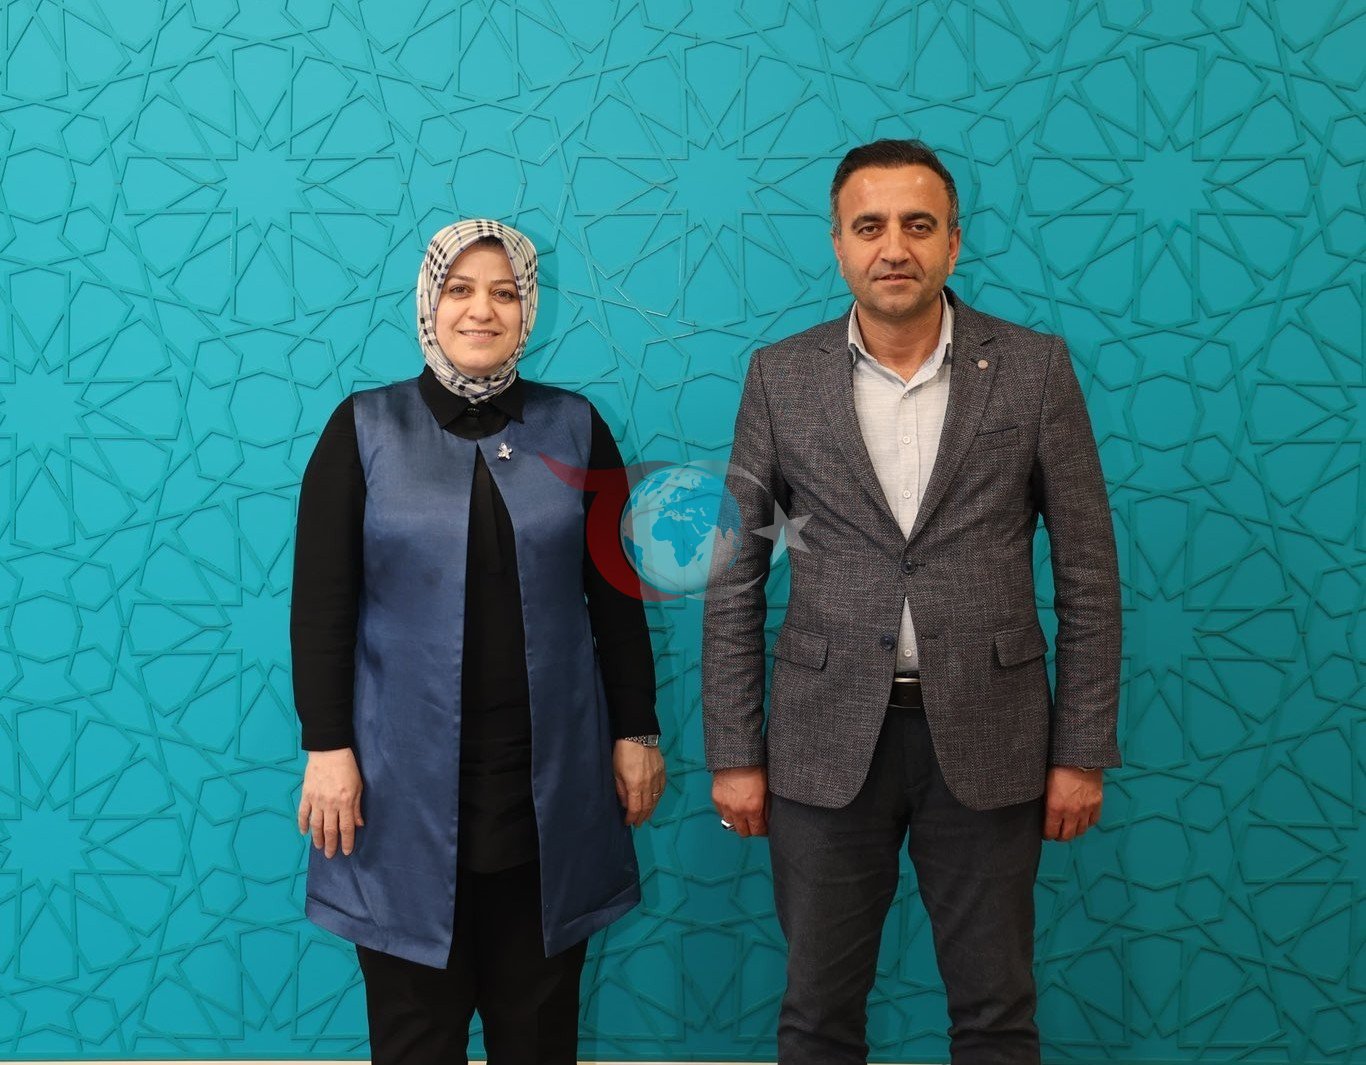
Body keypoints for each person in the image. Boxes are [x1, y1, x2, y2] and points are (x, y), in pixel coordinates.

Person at [702, 139, 1121, 1064]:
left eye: (918, 225)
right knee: (817, 1015)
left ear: (953, 243)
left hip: (993, 736)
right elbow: (736, 577)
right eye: (870, 226)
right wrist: (734, 750)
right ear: (838, 245)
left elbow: (1089, 573)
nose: (894, 246)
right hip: (821, 743)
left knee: (996, 1013)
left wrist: (1081, 750)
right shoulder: (779, 376)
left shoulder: (1035, 369)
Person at [290, 218, 665, 1065]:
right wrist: (327, 746)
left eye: (504, 292)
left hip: (546, 793)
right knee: (415, 1040)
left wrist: (637, 729)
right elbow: (321, 604)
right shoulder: (364, 427)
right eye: (460, 289)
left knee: (538, 1038)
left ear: (529, 308)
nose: (481, 310)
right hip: (400, 795)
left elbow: (616, 598)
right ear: (429, 302)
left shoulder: (576, 426)